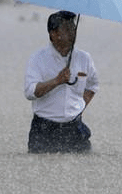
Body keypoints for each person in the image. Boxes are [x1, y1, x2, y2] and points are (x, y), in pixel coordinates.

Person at [24, 10, 99, 153]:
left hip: (74, 128)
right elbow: (30, 92)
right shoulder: (37, 59)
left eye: (74, 27)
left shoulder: (84, 58)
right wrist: (56, 81)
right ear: (54, 34)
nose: (73, 32)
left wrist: (79, 107)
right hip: (44, 129)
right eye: (67, 28)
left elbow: (93, 85)